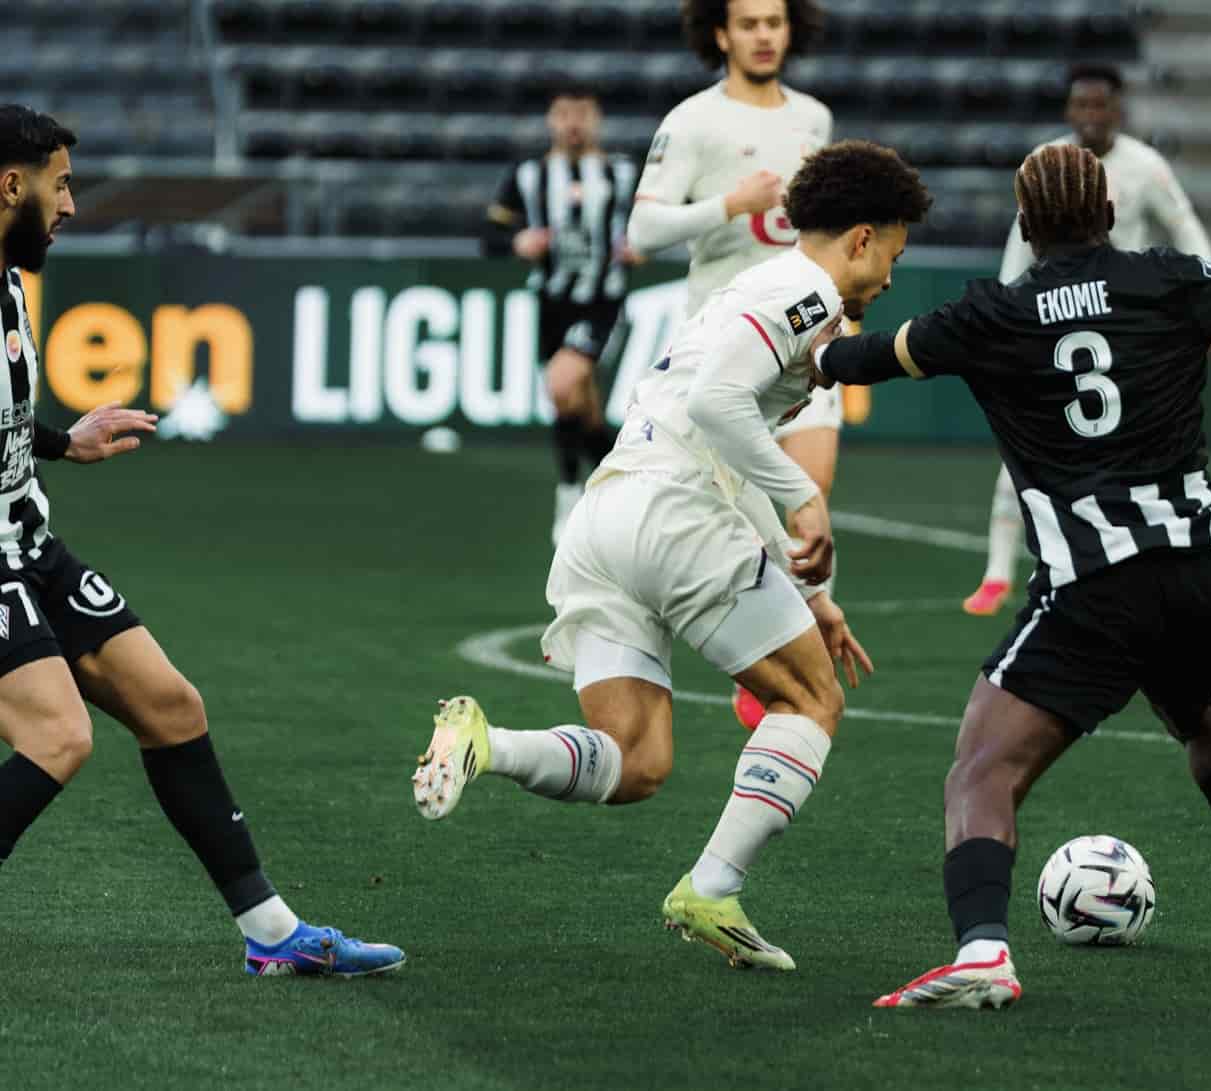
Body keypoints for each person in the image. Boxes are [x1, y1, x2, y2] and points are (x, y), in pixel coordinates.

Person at [815, 145, 1211, 1010]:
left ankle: (982, 952)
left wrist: (801, 332)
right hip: (1205, 578)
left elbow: (853, 362)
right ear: (1108, 211)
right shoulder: (1167, 277)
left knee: (980, 769)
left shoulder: (991, 313)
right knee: (1192, 709)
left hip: (1096, 588)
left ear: (1024, 224)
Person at [413, 141, 931, 972]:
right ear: (863, 237)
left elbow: (722, 429)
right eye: (895, 254)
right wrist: (803, 496)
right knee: (812, 699)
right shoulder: (807, 290)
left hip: (611, 515)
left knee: (637, 759)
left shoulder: (759, 288)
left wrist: (814, 593)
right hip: (676, 517)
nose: (893, 277)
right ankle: (712, 888)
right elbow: (716, 404)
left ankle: (485, 742)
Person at [0, 105, 402, 977]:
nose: (69, 205)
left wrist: (66, 441)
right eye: (59, 184)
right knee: (59, 738)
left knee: (172, 706)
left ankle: (271, 934)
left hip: (29, 544)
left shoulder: (6, 280)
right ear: (10, 185)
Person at [624, 0, 840, 729]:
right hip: (724, 353)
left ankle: (794, 657)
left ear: (789, 30)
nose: (761, 35)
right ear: (719, 33)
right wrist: (727, 203)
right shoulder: (692, 121)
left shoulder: (812, 119)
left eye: (772, 22)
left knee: (809, 502)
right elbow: (643, 228)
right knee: (738, 514)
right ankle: (756, 650)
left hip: (805, 344)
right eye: (747, 23)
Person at [965, 63, 1211, 617]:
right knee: (1028, 447)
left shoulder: (1145, 167)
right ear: (1069, 111)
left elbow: (1188, 231)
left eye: (1101, 106)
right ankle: (996, 571)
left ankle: (1129, 558)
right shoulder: (1046, 164)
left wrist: (1206, 303)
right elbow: (1017, 246)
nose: (1091, 116)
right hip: (1056, 323)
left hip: (1125, 330)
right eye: (1082, 106)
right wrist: (1007, 317)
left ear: (1119, 112)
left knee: (1125, 450)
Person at [482, 84, 638, 543]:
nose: (573, 122)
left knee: (562, 384)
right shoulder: (528, 175)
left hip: (601, 301)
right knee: (581, 411)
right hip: (550, 303)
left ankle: (570, 495)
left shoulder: (623, 172)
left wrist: (641, 245)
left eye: (583, 113)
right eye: (564, 113)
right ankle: (630, 488)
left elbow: (660, 217)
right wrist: (516, 242)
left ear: (597, 119)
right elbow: (490, 234)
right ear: (551, 120)